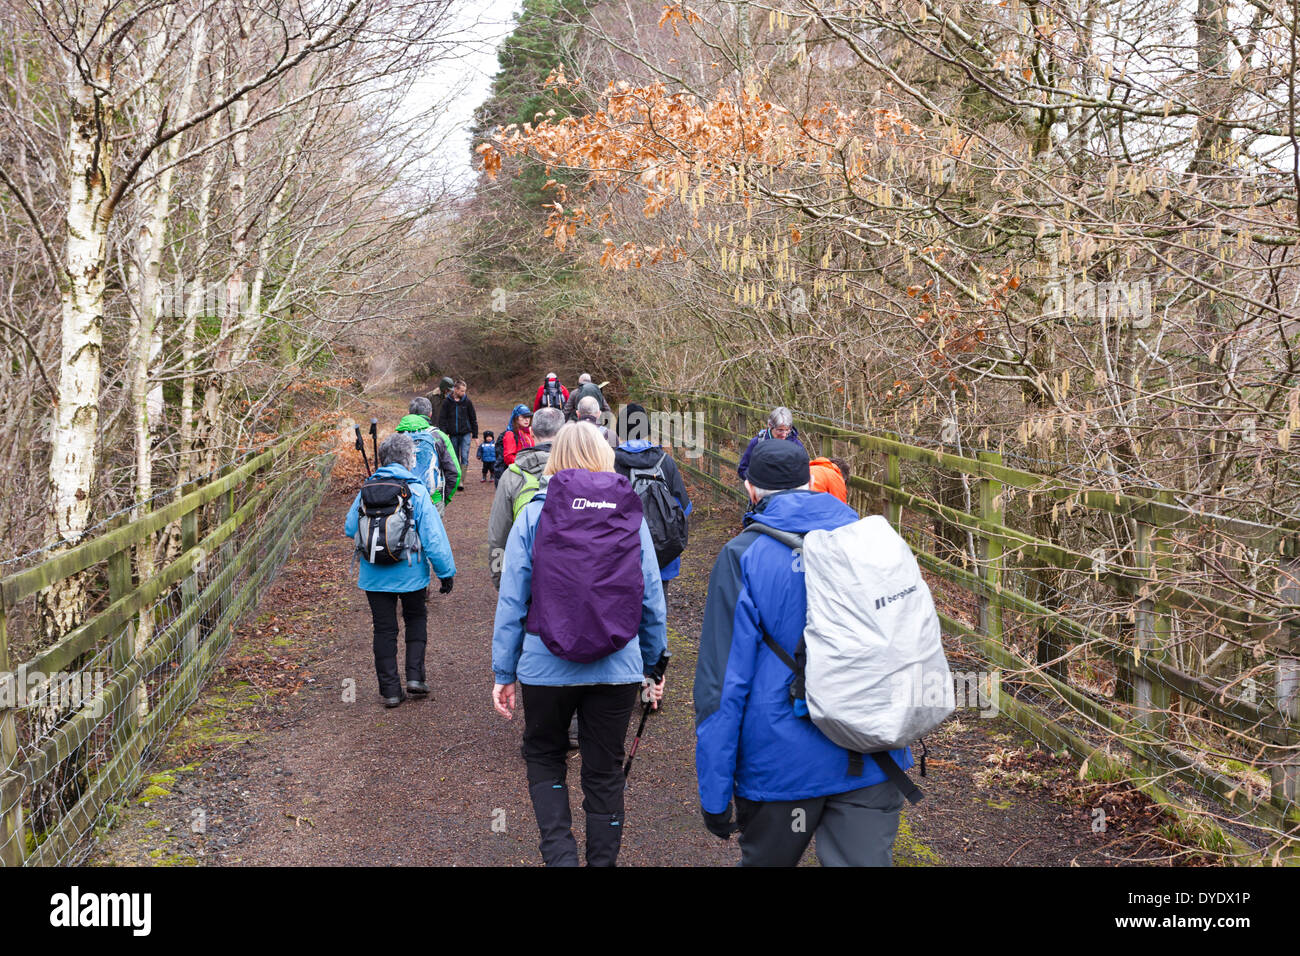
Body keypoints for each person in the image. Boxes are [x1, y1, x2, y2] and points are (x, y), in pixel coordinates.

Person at [694, 439, 911, 866]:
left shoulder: (744, 556)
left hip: (782, 769)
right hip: (871, 755)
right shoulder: (872, 539)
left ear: (750, 489)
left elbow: (722, 684)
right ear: (810, 483)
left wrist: (715, 794)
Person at [492, 422, 667, 867]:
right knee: (604, 773)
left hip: (544, 664)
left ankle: (560, 856)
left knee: (546, 756)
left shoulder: (534, 512)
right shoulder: (629, 513)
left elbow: (513, 597)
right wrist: (654, 667)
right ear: (605, 455)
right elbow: (650, 594)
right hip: (618, 665)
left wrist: (504, 671)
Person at [344, 433, 456, 708]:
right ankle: (415, 677)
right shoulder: (415, 490)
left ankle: (391, 690)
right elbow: (433, 537)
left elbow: (349, 528)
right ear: (408, 460)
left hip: (373, 574)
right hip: (410, 572)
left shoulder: (367, 490)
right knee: (415, 619)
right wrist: (445, 572)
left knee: (384, 630)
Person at [614, 402, 691, 597]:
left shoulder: (611, 462)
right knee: (658, 613)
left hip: (623, 558)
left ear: (621, 430)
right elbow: (684, 507)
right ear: (647, 428)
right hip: (662, 555)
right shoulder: (665, 462)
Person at [488, 407, 563, 589]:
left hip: (526, 572)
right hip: (567, 576)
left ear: (531, 432)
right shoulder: (579, 472)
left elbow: (498, 535)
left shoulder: (511, 476)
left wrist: (500, 579)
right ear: (563, 433)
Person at [397, 398, 461, 514]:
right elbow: (455, 472)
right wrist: (443, 499)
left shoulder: (396, 437)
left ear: (408, 413)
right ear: (430, 414)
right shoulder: (439, 436)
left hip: (402, 499)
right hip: (432, 500)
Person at [736, 407, 806, 482]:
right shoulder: (758, 443)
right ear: (770, 425)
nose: (784, 434)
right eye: (780, 430)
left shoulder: (796, 445)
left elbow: (805, 471)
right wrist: (757, 481)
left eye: (787, 430)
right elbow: (743, 469)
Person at [437, 379, 478, 470]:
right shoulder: (447, 402)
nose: (464, 393)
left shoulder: (467, 402)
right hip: (453, 435)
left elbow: (473, 418)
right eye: (462, 391)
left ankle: (461, 481)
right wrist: (444, 434)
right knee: (454, 457)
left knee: (464, 456)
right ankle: (457, 477)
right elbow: (442, 419)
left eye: (464, 391)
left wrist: (475, 435)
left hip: (465, 434)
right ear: (455, 389)